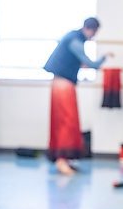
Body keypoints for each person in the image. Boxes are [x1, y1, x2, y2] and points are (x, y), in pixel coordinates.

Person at [44, 17, 112, 175]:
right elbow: (90, 63)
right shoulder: (74, 40)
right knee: (65, 121)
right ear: (91, 29)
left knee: (68, 121)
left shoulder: (73, 38)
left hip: (64, 84)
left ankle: (65, 159)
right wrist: (104, 57)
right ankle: (61, 160)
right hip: (63, 85)